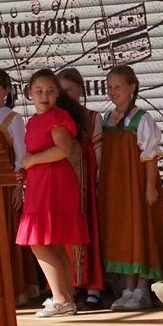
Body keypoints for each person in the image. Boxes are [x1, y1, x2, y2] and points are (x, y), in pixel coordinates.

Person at [100, 65, 163, 309]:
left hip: (137, 185)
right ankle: (128, 289)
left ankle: (142, 289)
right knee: (124, 235)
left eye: (118, 87)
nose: (113, 92)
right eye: (109, 87)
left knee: (141, 231)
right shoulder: (108, 118)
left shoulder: (142, 118)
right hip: (117, 188)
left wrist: (150, 188)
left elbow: (150, 155)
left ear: (132, 87)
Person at [16, 69, 89, 317]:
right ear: (29, 93)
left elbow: (63, 149)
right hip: (41, 183)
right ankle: (66, 298)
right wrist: (26, 170)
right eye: (39, 91)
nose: (44, 96)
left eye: (49, 91)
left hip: (53, 182)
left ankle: (60, 298)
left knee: (38, 242)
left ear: (57, 93)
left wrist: (32, 160)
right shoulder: (33, 121)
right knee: (53, 244)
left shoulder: (58, 116)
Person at [0, 66, 36, 304]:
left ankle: (13, 290)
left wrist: (17, 187)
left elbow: (20, 157)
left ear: (6, 91)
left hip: (4, 187)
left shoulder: (13, 119)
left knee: (6, 234)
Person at [57, 67, 107, 309]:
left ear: (80, 90)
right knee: (63, 236)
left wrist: (98, 183)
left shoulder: (93, 118)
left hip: (85, 185)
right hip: (61, 186)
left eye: (69, 90)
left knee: (88, 233)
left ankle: (93, 287)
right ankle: (69, 285)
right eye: (61, 91)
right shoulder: (55, 119)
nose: (64, 95)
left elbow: (99, 154)